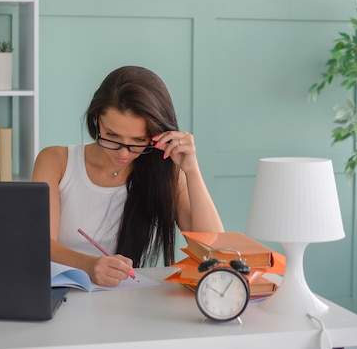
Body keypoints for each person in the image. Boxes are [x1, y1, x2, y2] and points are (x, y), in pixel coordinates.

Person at [32, 66, 224, 287]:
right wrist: (89, 266)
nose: (123, 153)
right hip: (59, 294)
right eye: (112, 135)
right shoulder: (55, 161)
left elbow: (214, 251)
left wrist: (191, 170)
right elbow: (40, 243)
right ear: (96, 120)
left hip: (129, 300)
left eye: (138, 140)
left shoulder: (165, 172)